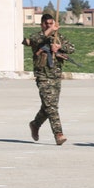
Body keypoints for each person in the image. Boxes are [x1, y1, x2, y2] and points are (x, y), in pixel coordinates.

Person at [23, 11, 75, 146]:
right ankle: (59, 134)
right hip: (43, 76)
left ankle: (35, 124)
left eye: (51, 24)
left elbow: (72, 48)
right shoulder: (38, 37)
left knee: (49, 107)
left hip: (55, 76)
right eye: (47, 24)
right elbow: (32, 40)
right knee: (51, 107)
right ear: (42, 25)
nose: (49, 26)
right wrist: (50, 31)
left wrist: (59, 47)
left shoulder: (58, 37)